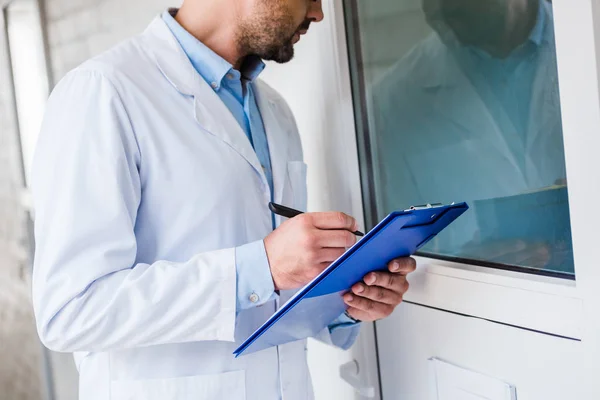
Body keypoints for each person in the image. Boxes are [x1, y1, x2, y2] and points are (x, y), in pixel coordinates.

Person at [31, 1, 415, 399]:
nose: (318, 13)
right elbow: (70, 311)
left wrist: (346, 301)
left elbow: (267, 294)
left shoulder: (274, 109)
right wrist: (260, 266)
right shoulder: (104, 91)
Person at [372, 0, 569, 270]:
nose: (437, 10)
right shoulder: (394, 100)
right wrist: (465, 264)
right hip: (486, 303)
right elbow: (399, 257)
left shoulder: (583, 32)